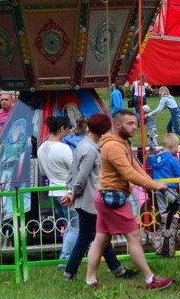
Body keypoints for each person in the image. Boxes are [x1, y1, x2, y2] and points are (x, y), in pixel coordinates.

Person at [84, 110, 173, 291]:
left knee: (101, 239)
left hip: (106, 196)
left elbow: (135, 167)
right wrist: (154, 185)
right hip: (113, 198)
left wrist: (151, 182)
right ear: (118, 125)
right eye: (130, 124)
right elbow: (128, 173)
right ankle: (150, 280)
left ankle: (91, 280)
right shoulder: (114, 147)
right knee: (134, 236)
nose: (135, 127)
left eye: (135, 123)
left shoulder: (120, 143)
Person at [61, 113, 136, 282]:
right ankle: (69, 272)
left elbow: (74, 173)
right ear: (103, 131)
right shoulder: (90, 150)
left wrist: (71, 191)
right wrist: (73, 192)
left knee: (102, 235)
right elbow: (82, 176)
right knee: (88, 238)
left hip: (87, 200)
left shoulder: (83, 145)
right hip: (89, 201)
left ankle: (117, 269)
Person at [37, 116, 78, 264]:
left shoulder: (41, 148)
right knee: (74, 226)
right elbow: (75, 170)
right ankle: (65, 258)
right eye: (67, 129)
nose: (68, 132)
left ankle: (70, 256)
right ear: (62, 129)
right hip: (67, 192)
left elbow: (42, 171)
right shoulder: (63, 148)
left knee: (67, 225)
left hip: (53, 191)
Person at [147, 133, 180, 213]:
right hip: (170, 188)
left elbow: (153, 172)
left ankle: (164, 221)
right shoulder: (173, 160)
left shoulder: (155, 160)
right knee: (173, 208)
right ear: (172, 147)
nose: (177, 149)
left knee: (163, 209)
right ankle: (173, 222)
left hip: (158, 188)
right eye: (177, 146)